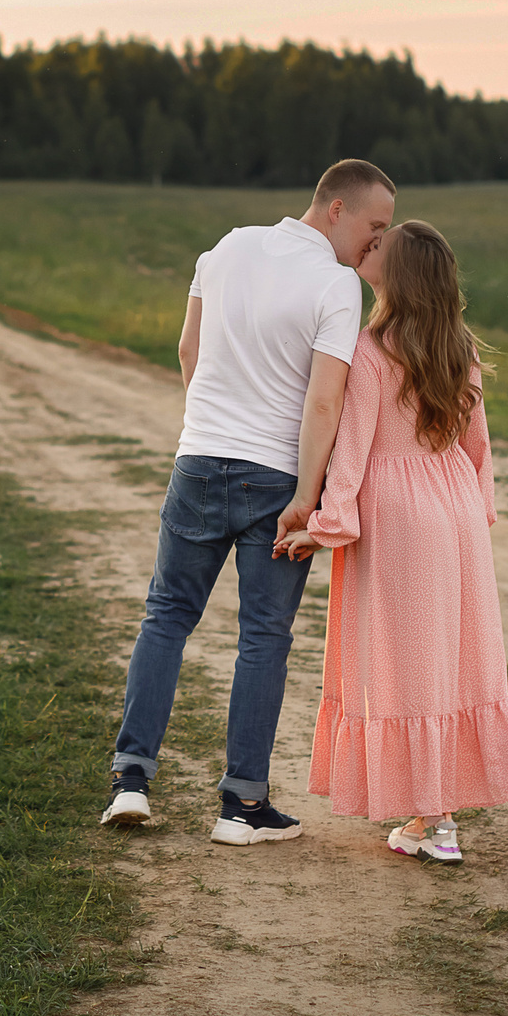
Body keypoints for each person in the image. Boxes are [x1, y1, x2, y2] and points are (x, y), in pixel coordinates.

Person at [101, 158, 397, 845]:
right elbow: (324, 399)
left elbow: (187, 350)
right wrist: (306, 495)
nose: (376, 244)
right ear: (335, 209)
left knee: (166, 616)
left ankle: (130, 781)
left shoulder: (226, 247)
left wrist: (211, 424)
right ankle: (242, 805)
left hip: (198, 457)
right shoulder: (334, 283)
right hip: (275, 479)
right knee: (262, 636)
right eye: (373, 226)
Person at [284, 219, 508, 864]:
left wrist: (323, 526)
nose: (370, 246)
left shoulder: (370, 350)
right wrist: (478, 511)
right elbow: (479, 446)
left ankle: (436, 823)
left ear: (399, 274)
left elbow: (351, 452)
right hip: (456, 507)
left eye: (381, 246)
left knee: (406, 669)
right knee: (456, 659)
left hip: (398, 519)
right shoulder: (459, 348)